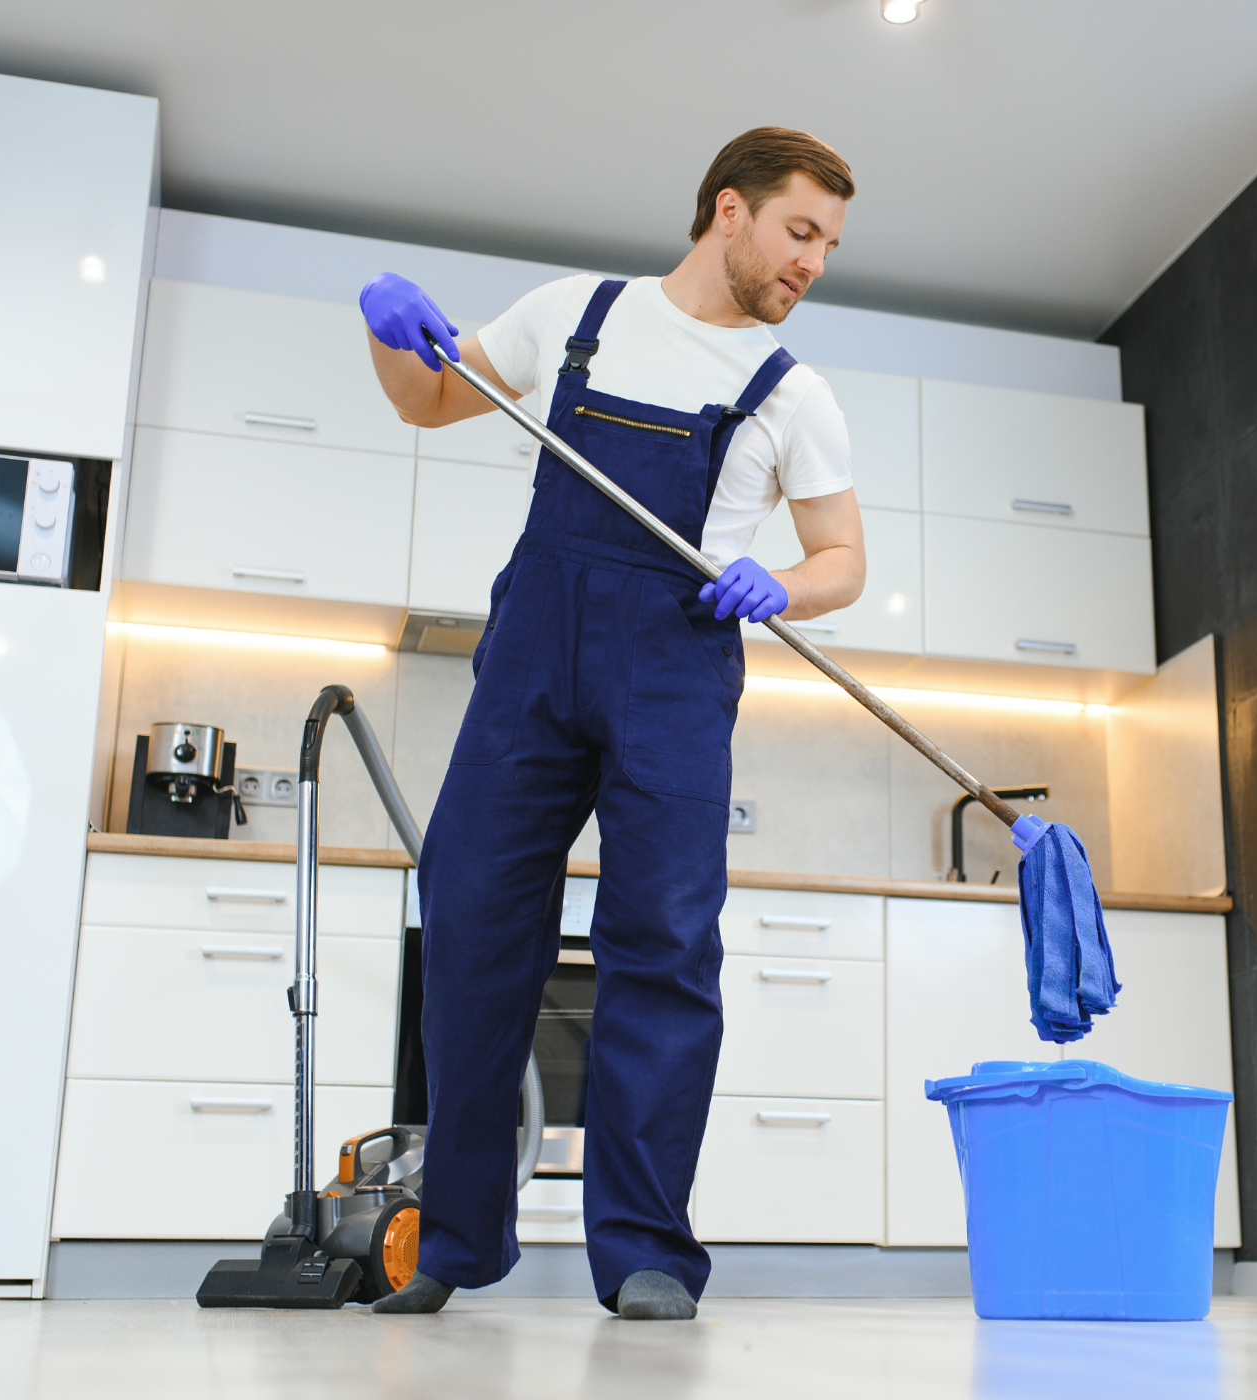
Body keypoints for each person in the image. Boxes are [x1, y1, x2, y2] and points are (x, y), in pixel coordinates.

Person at [360, 128, 863, 1320]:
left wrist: (782, 583)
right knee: (472, 919)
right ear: (728, 212)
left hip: (677, 672)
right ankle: (453, 1241)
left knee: (664, 943)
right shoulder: (575, 315)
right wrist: (385, 336)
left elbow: (843, 557)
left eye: (831, 247)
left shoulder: (796, 394)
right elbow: (430, 400)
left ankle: (643, 1249)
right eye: (802, 233)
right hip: (533, 660)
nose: (814, 265)